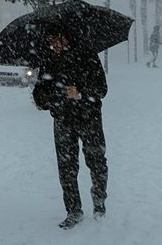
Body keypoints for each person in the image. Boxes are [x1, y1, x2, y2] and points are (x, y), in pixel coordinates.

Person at [32, 30, 108, 230]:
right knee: (66, 168)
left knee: (96, 161)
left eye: (57, 38)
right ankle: (74, 210)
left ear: (67, 37)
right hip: (63, 119)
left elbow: (102, 88)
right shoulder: (48, 61)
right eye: (50, 39)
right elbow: (40, 93)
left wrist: (81, 92)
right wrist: (45, 98)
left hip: (89, 118)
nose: (53, 43)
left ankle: (99, 202)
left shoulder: (87, 56)